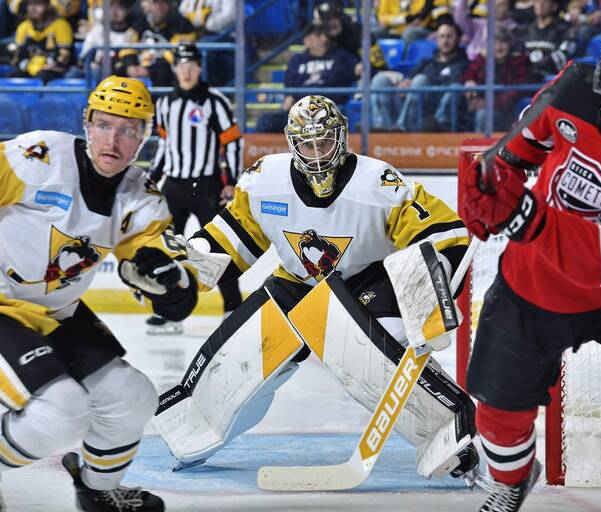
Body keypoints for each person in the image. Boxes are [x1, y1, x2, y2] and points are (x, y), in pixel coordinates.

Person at [154, 94, 480, 484]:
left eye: (324, 141)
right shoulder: (264, 181)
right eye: (306, 144)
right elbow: (229, 238)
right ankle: (195, 429)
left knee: (377, 352)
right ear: (291, 142)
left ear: (341, 138)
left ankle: (448, 434)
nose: (317, 153)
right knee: (236, 359)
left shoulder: (378, 182)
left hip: (367, 281)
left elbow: (445, 233)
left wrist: (430, 291)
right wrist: (185, 270)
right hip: (298, 284)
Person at [460, 24, 601, 512]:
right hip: (533, 280)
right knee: (496, 407)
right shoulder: (574, 90)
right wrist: (489, 185)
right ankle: (513, 480)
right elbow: (517, 152)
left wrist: (521, 217)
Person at [0, 76, 199, 511]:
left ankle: (95, 491)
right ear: (87, 124)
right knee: (62, 409)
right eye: (106, 125)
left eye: (130, 130)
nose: (115, 139)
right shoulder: (37, 157)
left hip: (58, 314)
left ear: (145, 137)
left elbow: (154, 258)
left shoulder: (141, 196)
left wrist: (171, 285)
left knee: (133, 398)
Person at [146, 43, 242, 335]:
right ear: (174, 68)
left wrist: (233, 182)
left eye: (192, 64)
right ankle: (170, 311)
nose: (186, 70)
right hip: (173, 186)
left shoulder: (215, 102)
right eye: (181, 64)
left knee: (218, 249)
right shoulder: (164, 104)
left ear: (200, 68)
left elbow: (233, 143)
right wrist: (150, 177)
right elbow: (164, 145)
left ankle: (232, 309)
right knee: (165, 251)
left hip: (208, 185)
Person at [371, 17, 468, 132]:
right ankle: (383, 128)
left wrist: (419, 83)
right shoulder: (426, 61)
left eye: (449, 36)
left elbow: (450, 89)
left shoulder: (463, 64)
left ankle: (402, 128)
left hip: (431, 115)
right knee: (380, 80)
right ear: (437, 40)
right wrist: (405, 83)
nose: (445, 40)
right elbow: (409, 79)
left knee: (421, 80)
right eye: (442, 36)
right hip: (410, 106)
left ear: (458, 39)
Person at [255, 24, 357, 133]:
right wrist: (289, 97)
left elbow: (357, 69)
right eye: (305, 37)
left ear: (323, 37)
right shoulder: (297, 60)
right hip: (300, 112)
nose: (306, 40)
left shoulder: (340, 57)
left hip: (328, 111)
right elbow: (289, 85)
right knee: (265, 121)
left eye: (310, 36)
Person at [460, 26, 532, 132]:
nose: (498, 47)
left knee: (483, 115)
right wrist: (469, 81)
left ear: (510, 44)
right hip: (480, 106)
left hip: (507, 113)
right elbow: (469, 72)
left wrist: (489, 103)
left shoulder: (520, 62)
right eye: (494, 43)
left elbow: (516, 92)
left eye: (503, 42)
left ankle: (480, 147)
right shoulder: (482, 60)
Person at [8, 0, 73, 83]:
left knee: (43, 77)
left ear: (48, 6)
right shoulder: (23, 26)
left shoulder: (61, 25)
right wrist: (27, 66)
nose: (33, 8)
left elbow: (65, 54)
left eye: (38, 4)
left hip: (53, 69)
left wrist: (48, 65)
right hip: (29, 68)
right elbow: (17, 55)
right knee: (13, 77)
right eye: (30, 4)